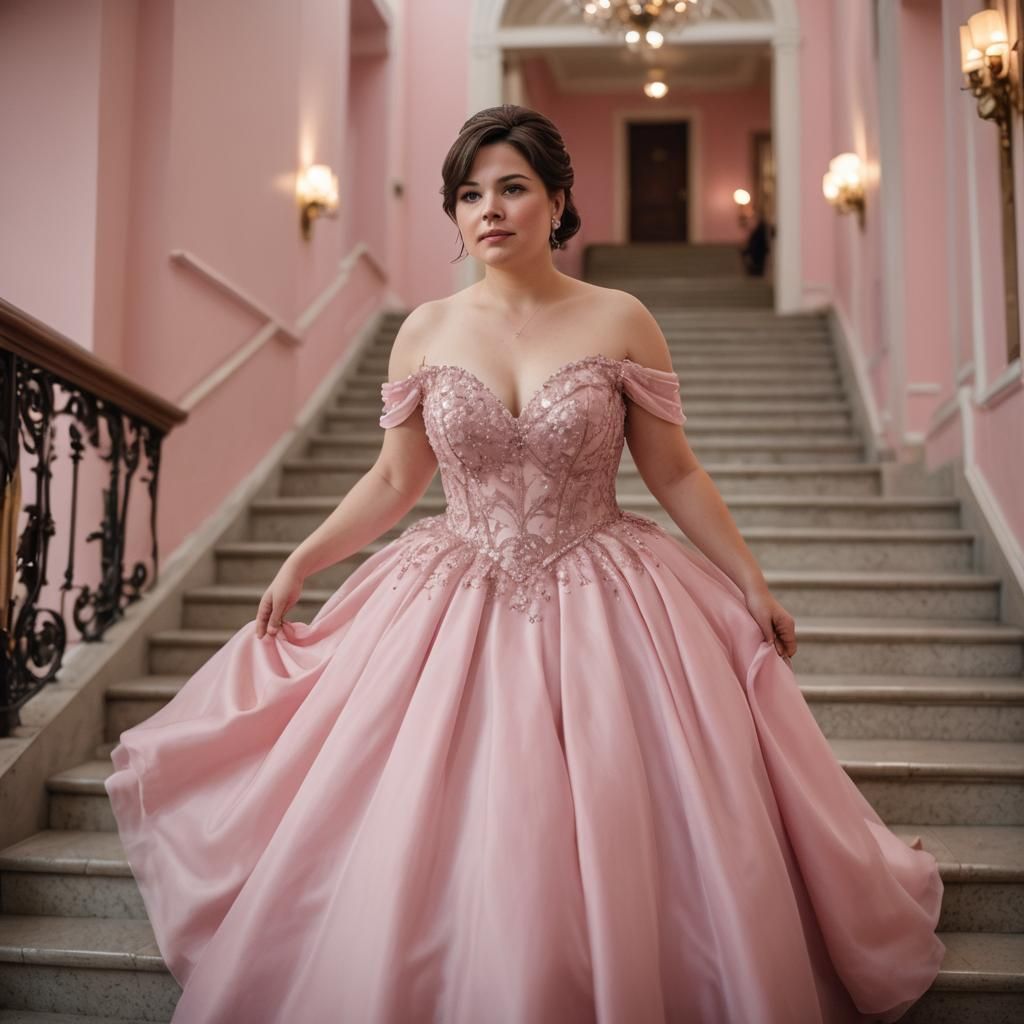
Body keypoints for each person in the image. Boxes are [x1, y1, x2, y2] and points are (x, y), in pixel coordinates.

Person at [105, 104, 944, 1024]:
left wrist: (750, 578)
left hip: (607, 587)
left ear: (557, 202)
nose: (488, 210)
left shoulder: (620, 318)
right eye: (469, 195)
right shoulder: (425, 329)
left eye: (511, 189)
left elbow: (674, 470)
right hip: (450, 584)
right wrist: (302, 560)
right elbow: (393, 481)